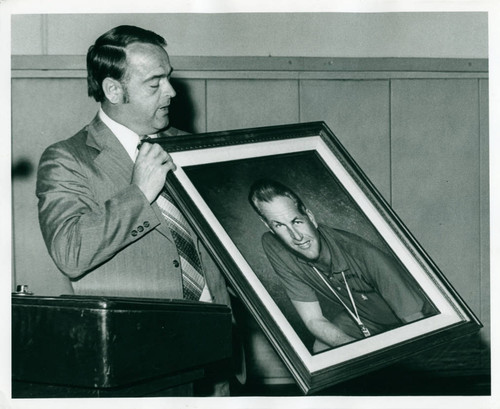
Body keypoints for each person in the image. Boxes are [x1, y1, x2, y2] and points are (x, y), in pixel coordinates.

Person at [36, 25, 241, 395]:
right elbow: (70, 253)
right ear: (114, 89)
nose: (172, 92)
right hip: (139, 364)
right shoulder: (67, 159)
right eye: (155, 83)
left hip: (214, 356)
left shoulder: (193, 147)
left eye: (170, 78)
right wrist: (139, 193)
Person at [248, 179, 435, 352]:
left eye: (297, 221)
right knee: (322, 349)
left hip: (414, 318)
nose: (296, 236)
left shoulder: (365, 255)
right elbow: (313, 320)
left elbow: (418, 326)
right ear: (268, 226)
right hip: (364, 320)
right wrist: (355, 351)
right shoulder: (273, 246)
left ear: (310, 217)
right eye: (280, 226)